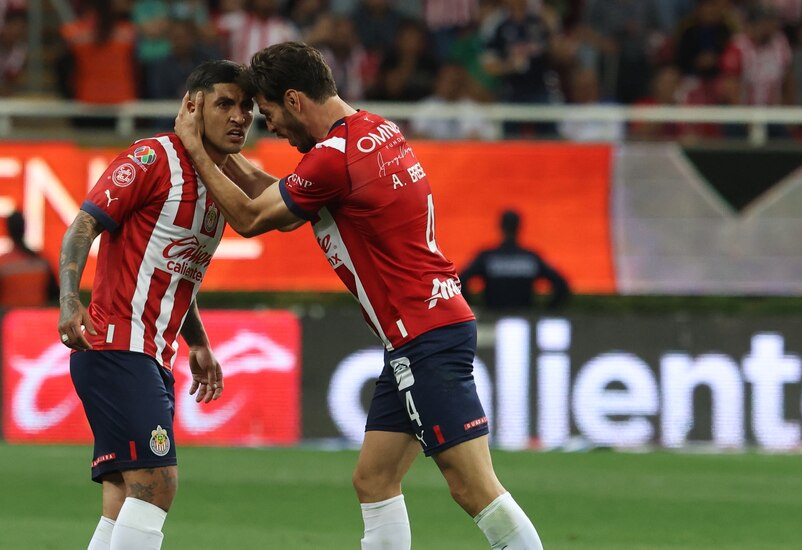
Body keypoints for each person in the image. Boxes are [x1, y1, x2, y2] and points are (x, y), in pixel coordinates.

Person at [174, 42, 543, 549]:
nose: (271, 128)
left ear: (296, 99)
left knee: (473, 487)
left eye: (271, 114)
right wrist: (224, 157)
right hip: (424, 330)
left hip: (423, 336)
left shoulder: (332, 159)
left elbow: (252, 218)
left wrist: (194, 147)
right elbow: (279, 193)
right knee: (374, 480)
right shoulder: (373, 131)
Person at [58, 60, 259, 550]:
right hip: (115, 349)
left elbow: (175, 271)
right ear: (193, 105)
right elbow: (81, 227)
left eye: (247, 107)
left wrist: (200, 342)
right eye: (226, 103)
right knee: (157, 484)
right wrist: (69, 300)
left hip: (151, 355)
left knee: (125, 495)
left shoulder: (220, 180)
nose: (240, 117)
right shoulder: (153, 158)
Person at [460, 210, 570, 312]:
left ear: (501, 226)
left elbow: (458, 282)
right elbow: (561, 285)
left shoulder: (487, 257)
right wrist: (544, 311)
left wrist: (475, 308)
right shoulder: (530, 258)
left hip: (493, 320)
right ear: (518, 227)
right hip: (523, 323)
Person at [0, 210, 59, 308]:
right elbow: (55, 295)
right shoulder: (42, 263)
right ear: (24, 228)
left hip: (9, 320)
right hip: (35, 318)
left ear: (8, 230)